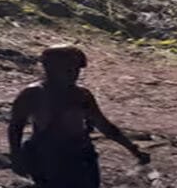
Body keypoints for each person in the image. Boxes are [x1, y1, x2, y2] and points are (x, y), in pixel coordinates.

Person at [8, 45, 150, 187]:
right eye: (68, 70)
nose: (74, 74)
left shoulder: (82, 95)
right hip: (47, 156)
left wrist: (133, 148)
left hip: (80, 155)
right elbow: (15, 127)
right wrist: (16, 158)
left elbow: (104, 125)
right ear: (50, 69)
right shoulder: (34, 94)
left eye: (76, 70)